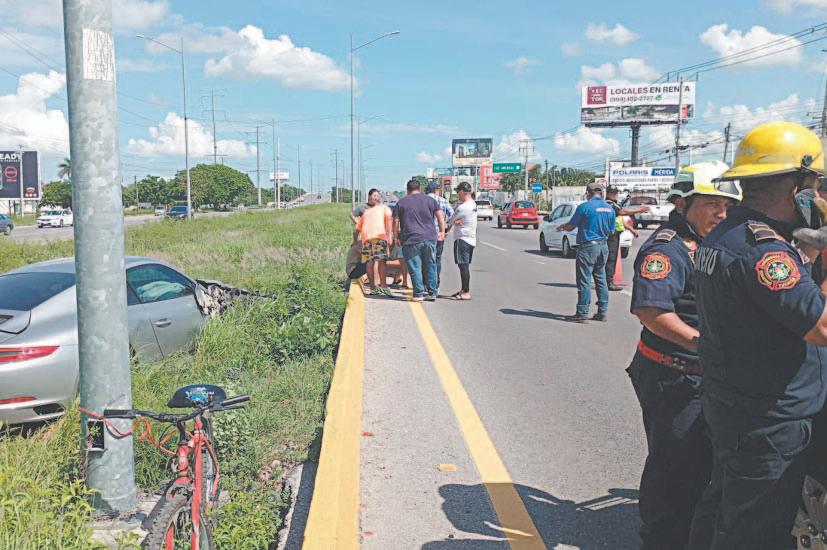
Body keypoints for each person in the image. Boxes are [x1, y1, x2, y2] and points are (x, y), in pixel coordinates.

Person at [687, 121, 827, 549]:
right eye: (815, 185)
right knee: (755, 532)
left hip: (736, 403)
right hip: (769, 419)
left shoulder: (730, 234)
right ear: (797, 188)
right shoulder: (765, 252)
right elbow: (821, 327)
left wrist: (812, 248)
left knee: (722, 508)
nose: (818, 194)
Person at [627, 161, 741, 550]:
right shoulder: (667, 248)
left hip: (707, 376)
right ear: (682, 204)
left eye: (727, 206)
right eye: (712, 204)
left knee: (703, 468)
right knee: (674, 472)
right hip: (674, 378)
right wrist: (705, 346)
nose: (722, 213)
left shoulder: (713, 244)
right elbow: (652, 312)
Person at [557, 182, 616, 322]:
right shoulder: (610, 209)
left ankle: (582, 313)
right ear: (601, 193)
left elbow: (571, 226)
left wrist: (562, 227)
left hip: (588, 247)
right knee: (601, 279)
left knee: (584, 280)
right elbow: (612, 231)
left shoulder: (584, 207)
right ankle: (602, 312)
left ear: (588, 193)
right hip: (603, 246)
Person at [394, 179, 446, 302]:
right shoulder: (430, 200)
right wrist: (442, 231)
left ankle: (418, 293)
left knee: (415, 267)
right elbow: (440, 216)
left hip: (410, 239)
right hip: (429, 237)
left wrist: (396, 237)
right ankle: (432, 292)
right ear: (420, 189)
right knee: (431, 265)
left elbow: (396, 222)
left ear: (407, 190)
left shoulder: (401, 202)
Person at [605, 185, 650, 290]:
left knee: (611, 258)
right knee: (610, 259)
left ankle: (606, 281)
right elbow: (623, 212)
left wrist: (631, 229)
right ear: (608, 193)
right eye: (613, 193)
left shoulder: (614, 204)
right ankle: (608, 282)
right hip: (610, 235)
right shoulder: (609, 204)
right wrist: (639, 210)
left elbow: (620, 220)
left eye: (616, 192)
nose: (616, 195)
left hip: (615, 234)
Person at [355, 189, 393, 296]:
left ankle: (372, 288)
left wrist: (354, 241)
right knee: (382, 261)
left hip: (366, 240)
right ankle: (384, 287)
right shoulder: (385, 208)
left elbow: (356, 230)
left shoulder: (366, 212)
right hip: (379, 237)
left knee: (369, 262)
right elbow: (389, 222)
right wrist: (389, 237)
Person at [448, 182, 477, 300]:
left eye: (457, 192)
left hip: (462, 239)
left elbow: (450, 221)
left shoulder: (462, 208)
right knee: (464, 265)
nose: (456, 194)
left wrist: (453, 223)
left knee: (463, 266)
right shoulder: (472, 203)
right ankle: (463, 289)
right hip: (470, 239)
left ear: (462, 192)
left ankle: (466, 291)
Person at [427, 182, 454, 294]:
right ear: (436, 191)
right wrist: (447, 230)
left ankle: (427, 284)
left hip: (425, 234)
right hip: (439, 234)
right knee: (437, 259)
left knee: (426, 259)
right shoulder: (443, 201)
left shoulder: (423, 200)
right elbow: (452, 216)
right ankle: (435, 284)